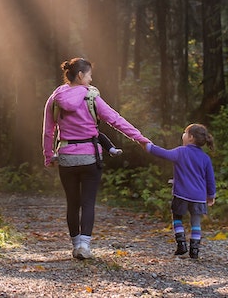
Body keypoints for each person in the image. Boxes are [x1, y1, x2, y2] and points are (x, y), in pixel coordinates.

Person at [43, 57, 150, 260]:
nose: (91, 79)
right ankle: (85, 245)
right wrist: (140, 139)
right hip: (90, 157)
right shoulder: (91, 97)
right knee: (88, 202)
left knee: (72, 203)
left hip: (66, 157)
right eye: (90, 75)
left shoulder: (55, 97)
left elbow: (48, 131)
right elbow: (115, 120)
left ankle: (75, 246)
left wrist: (49, 156)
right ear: (81, 75)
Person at [144, 123, 216, 259]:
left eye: (185, 132)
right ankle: (194, 249)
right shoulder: (205, 158)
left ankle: (181, 244)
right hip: (199, 197)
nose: (183, 135)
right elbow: (210, 179)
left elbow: (163, 153)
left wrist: (148, 146)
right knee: (196, 222)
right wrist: (210, 195)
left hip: (181, 194)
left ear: (191, 137)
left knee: (177, 217)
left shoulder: (181, 152)